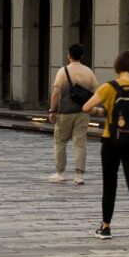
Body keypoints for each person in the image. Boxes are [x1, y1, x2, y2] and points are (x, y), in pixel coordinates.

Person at [84, 49, 129, 243]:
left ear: (117, 66)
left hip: (111, 140)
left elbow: (86, 107)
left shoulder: (109, 88)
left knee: (110, 183)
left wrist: (102, 111)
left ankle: (106, 227)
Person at [48, 43, 98, 185]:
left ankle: (60, 172)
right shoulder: (89, 72)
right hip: (83, 113)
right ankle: (78, 175)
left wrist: (52, 110)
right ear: (82, 56)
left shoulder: (63, 71)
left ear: (69, 55)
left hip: (65, 113)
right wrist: (92, 108)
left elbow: (56, 92)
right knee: (80, 143)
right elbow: (96, 92)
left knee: (60, 141)